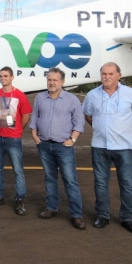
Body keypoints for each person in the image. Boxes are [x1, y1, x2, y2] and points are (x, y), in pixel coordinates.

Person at [82, 62, 132, 234]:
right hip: (100, 146)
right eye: (103, 74)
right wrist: (99, 127)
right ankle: (103, 215)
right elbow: (88, 114)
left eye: (110, 73)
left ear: (119, 75)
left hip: (124, 147)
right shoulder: (92, 95)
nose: (106, 77)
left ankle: (127, 218)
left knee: (127, 184)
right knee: (100, 183)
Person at [29, 68, 85, 229]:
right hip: (45, 145)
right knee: (49, 178)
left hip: (63, 146)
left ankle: (76, 215)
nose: (51, 82)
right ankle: (51, 208)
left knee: (70, 180)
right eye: (49, 79)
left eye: (55, 79)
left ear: (62, 82)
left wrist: (72, 139)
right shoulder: (40, 98)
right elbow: (35, 117)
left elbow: (79, 122)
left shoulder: (72, 99)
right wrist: (34, 135)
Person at [0, 66, 32, 215]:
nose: (3, 78)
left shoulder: (19, 95)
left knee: (18, 170)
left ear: (12, 78)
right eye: (1, 76)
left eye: (6, 76)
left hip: (13, 138)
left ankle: (20, 200)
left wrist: (18, 130)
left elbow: (26, 115)